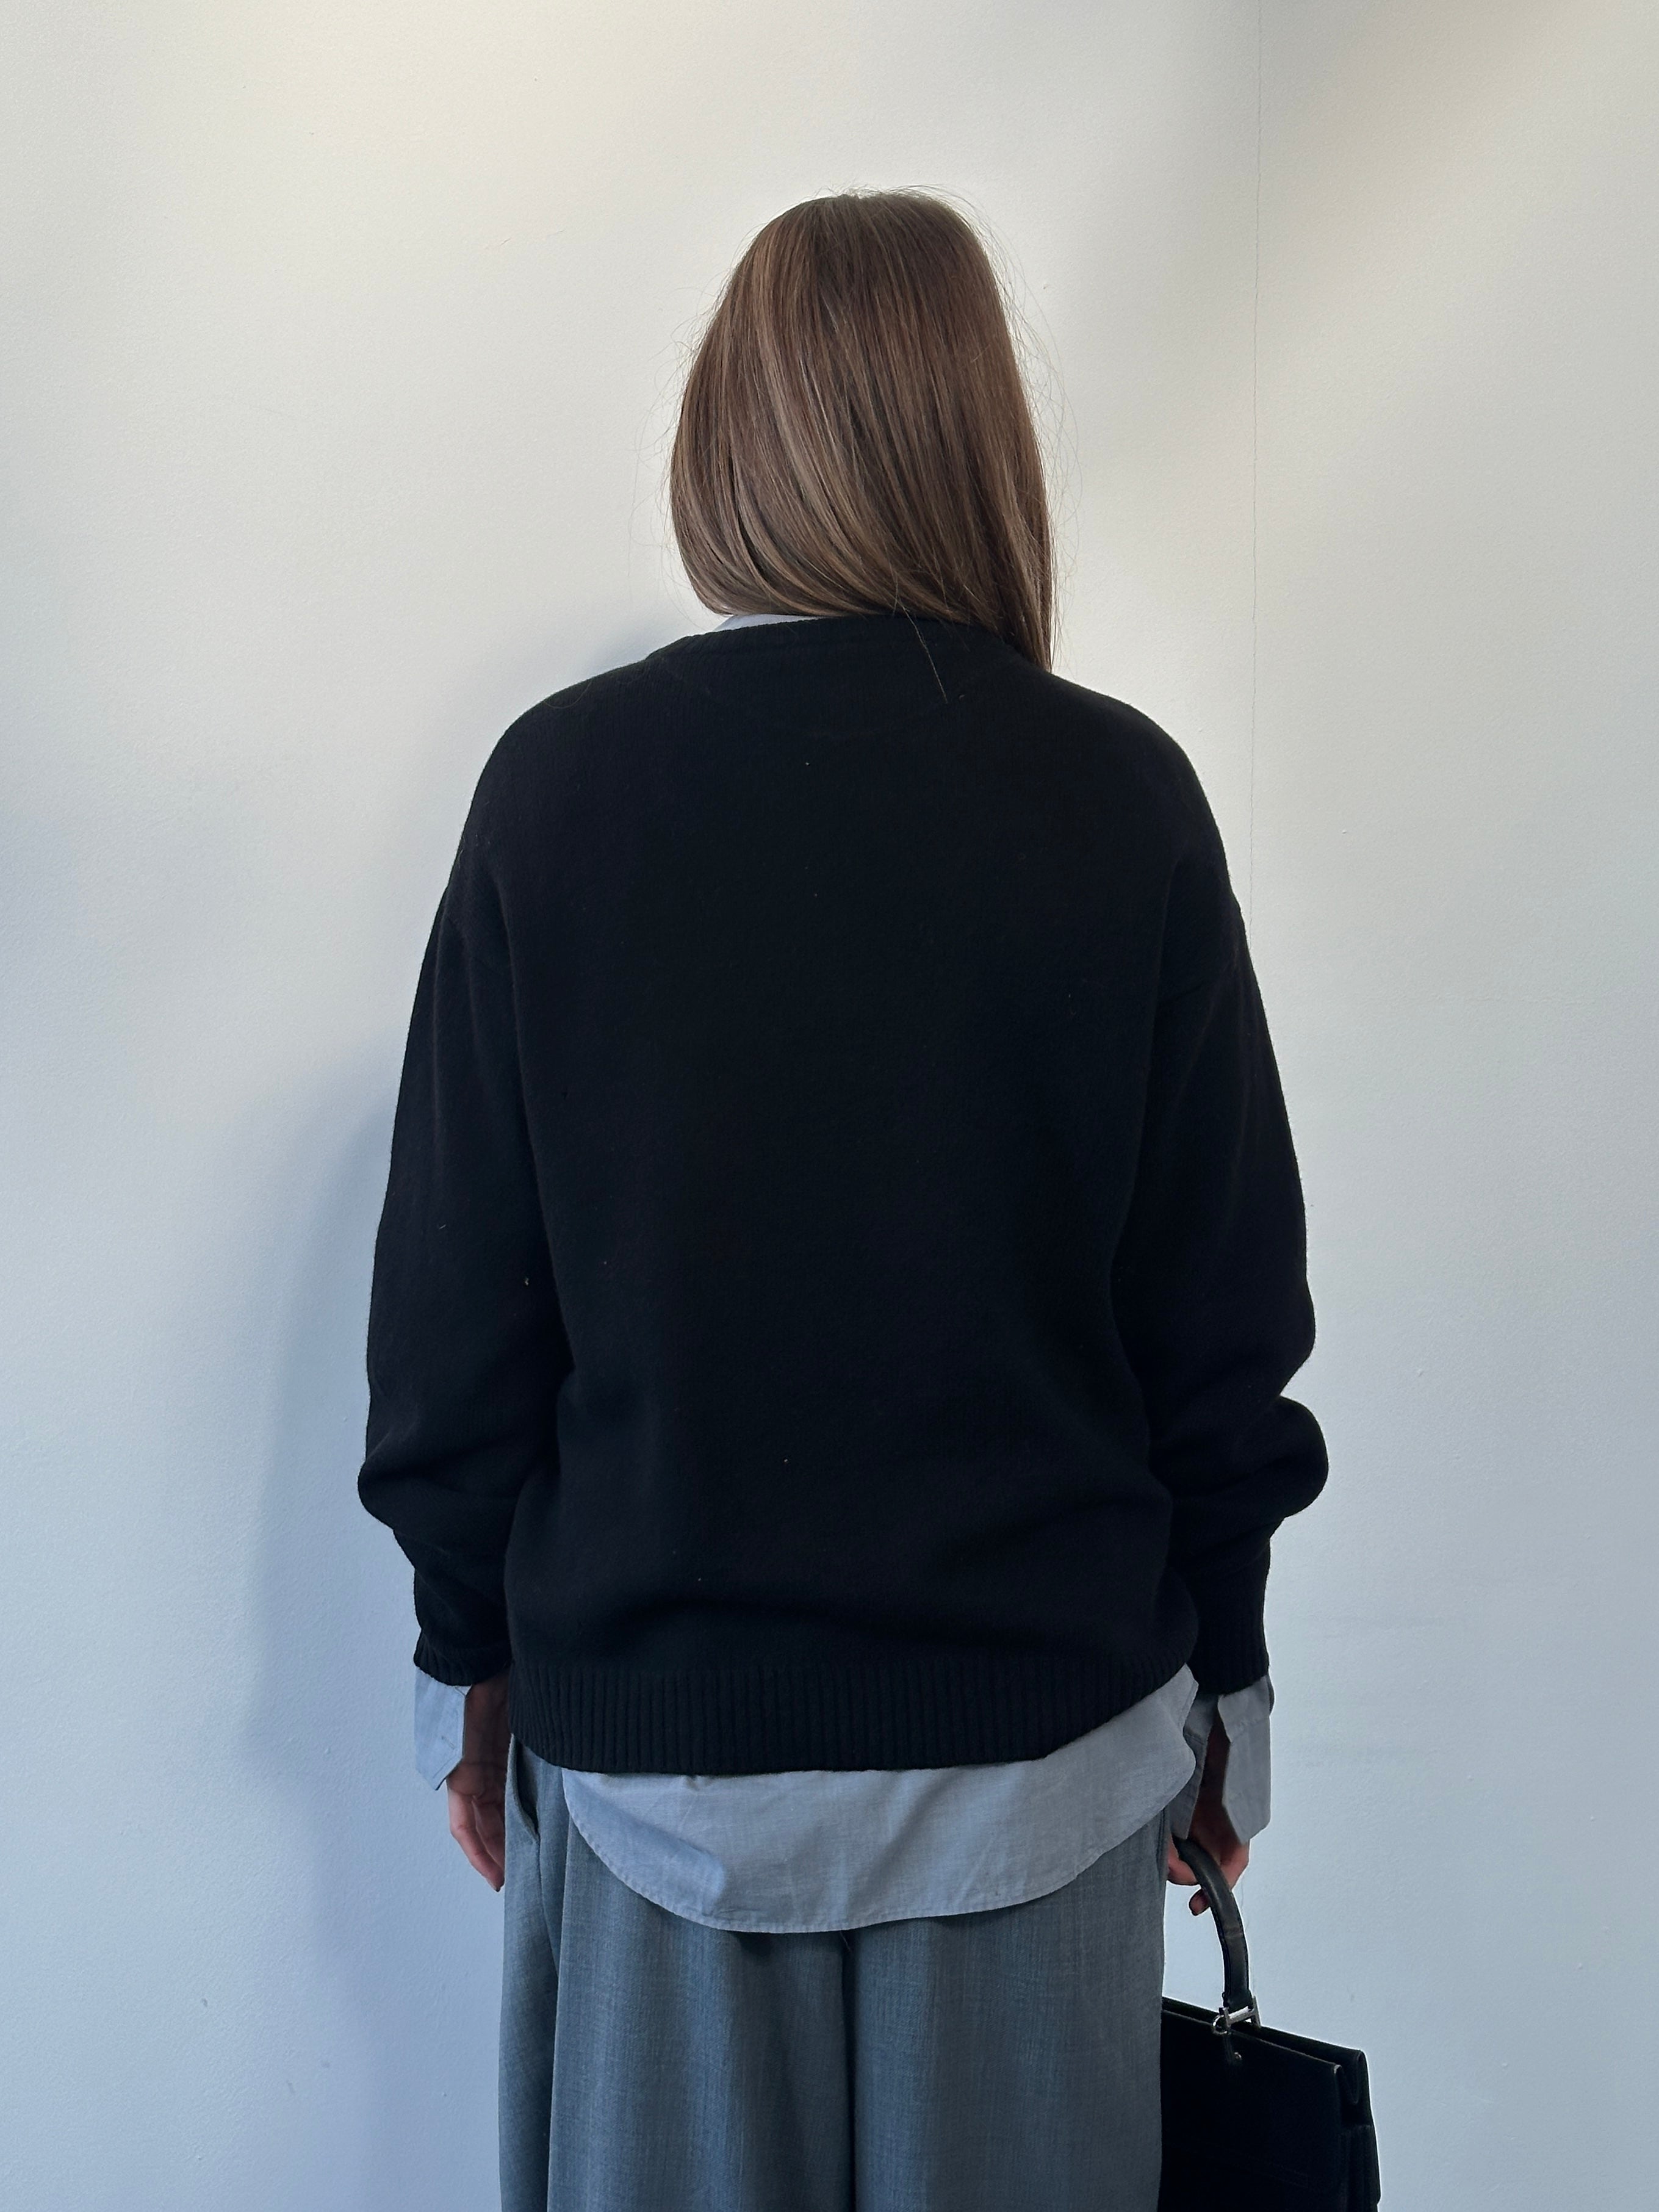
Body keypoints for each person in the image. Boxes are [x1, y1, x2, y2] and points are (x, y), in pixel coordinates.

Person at [358, 188, 1327, 2212]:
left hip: (658, 1767)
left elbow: (456, 1322)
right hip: (1045, 1757)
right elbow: (1217, 1321)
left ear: (729, 433)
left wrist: (471, 1662)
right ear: (983, 447)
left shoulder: (556, 794)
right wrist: (1224, 1693)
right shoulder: (1125, 802)